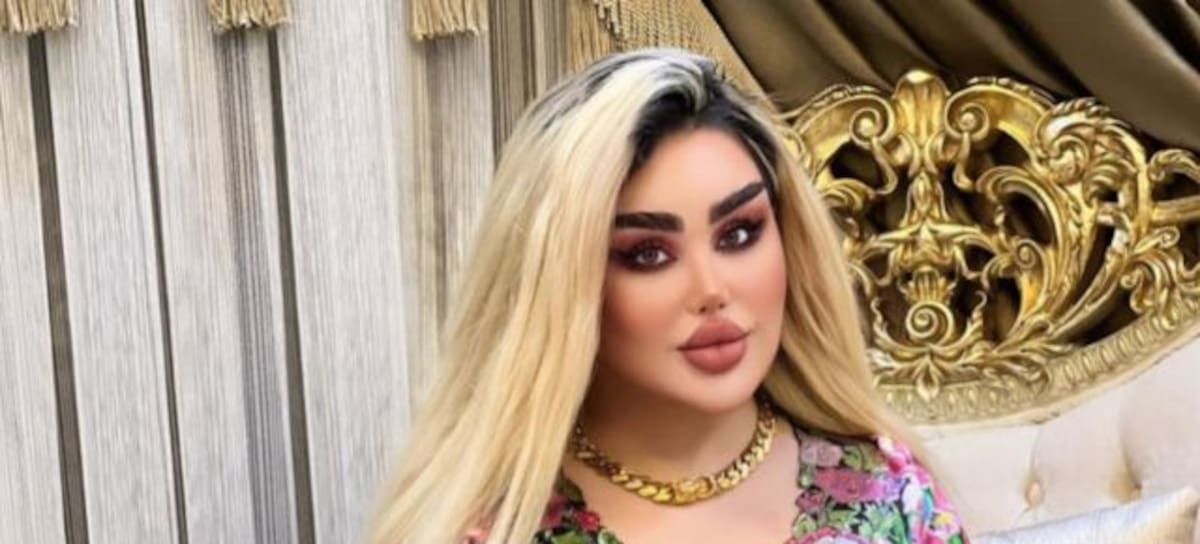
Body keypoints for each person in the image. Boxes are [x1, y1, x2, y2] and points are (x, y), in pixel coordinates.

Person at [369, 48, 967, 544]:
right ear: (565, 284)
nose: (711, 290)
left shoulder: (892, 501)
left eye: (739, 234)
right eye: (647, 254)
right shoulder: (492, 532)